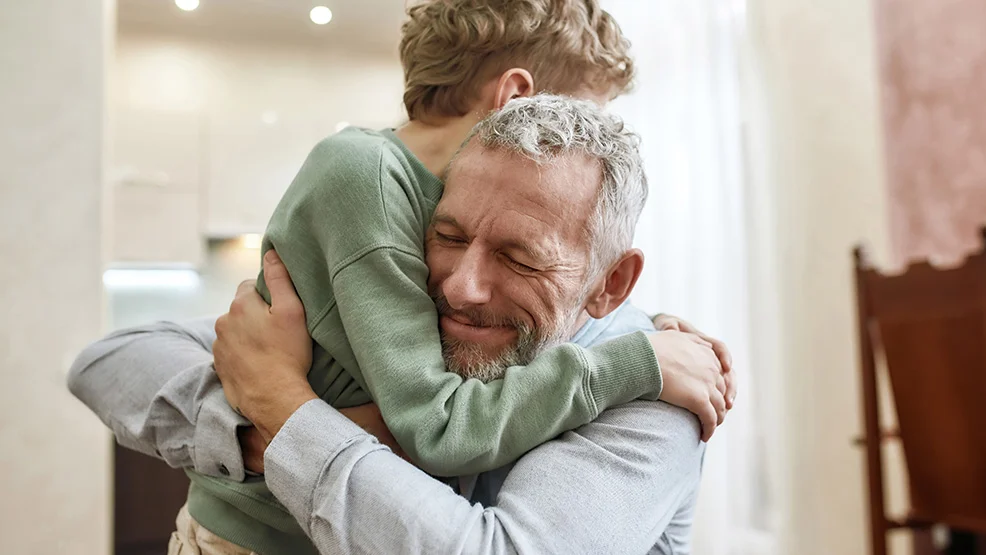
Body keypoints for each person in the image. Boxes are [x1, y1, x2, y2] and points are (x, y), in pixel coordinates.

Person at [76, 2, 731, 554]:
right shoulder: (380, 212)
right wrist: (252, 427)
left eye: (518, 255)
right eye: (447, 237)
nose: (458, 286)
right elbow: (109, 360)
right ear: (515, 99)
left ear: (610, 284)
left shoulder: (659, 387)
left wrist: (281, 409)